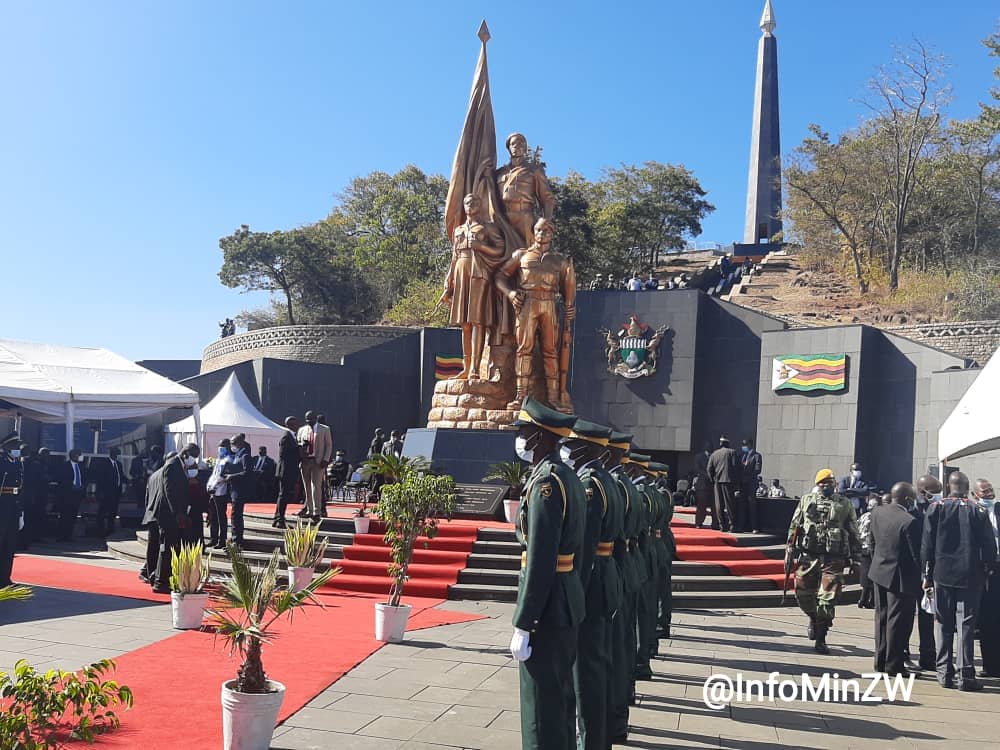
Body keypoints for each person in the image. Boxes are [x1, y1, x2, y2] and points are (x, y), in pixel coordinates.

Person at [509, 397, 586, 750]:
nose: (520, 440)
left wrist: (525, 622)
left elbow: (540, 557)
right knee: (560, 700)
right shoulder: (568, 477)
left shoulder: (547, 484)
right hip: (565, 599)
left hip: (547, 608)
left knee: (540, 708)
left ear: (540, 437)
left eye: (524, 432)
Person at [562, 419, 622, 750]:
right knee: (597, 665)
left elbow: (584, 549)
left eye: (572, 444)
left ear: (585, 447)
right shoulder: (607, 482)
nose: (567, 449)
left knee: (586, 674)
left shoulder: (589, 484)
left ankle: (591, 742)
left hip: (592, 580)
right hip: (607, 573)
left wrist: (576, 595)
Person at [921, 471, 997, 690]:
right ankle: (966, 675)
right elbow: (989, 548)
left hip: (942, 574)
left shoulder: (936, 508)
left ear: (948, 486)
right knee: (966, 625)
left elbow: (926, 546)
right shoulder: (978, 510)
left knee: (943, 622)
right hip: (971, 576)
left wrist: (926, 575)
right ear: (966, 488)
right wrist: (987, 571)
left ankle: (944, 673)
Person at [495, 217, 576, 412]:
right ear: (534, 232)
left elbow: (568, 288)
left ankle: (554, 398)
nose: (542, 234)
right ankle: (521, 396)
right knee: (524, 349)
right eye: (539, 230)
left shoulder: (560, 261)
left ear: (552, 235)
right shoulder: (521, 255)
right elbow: (500, 277)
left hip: (549, 304)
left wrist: (569, 306)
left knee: (551, 351)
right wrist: (511, 293)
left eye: (546, 231)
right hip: (527, 303)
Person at [786, 468, 861, 654]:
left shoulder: (844, 504)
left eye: (830, 482)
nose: (827, 485)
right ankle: (814, 617)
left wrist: (856, 559)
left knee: (827, 600)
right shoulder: (806, 501)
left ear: (835, 484)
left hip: (833, 559)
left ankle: (821, 637)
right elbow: (795, 525)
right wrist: (789, 549)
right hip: (808, 556)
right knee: (802, 594)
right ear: (817, 484)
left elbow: (854, 531)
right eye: (823, 482)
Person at [439, 193, 506, 381]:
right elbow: (454, 257)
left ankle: (476, 368)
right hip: (461, 273)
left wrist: (481, 246)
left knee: (477, 321)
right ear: (464, 205)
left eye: (475, 202)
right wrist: (448, 281)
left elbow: (500, 249)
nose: (471, 205)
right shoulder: (458, 230)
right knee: (465, 324)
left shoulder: (488, 227)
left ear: (481, 204)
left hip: (479, 273)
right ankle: (466, 367)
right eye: (468, 202)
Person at [606, 432, 642, 744]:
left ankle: (610, 722)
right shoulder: (630, 489)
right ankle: (618, 717)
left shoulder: (605, 487)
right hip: (628, 565)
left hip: (605, 573)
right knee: (621, 646)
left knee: (606, 654)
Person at [868, 482, 921, 675]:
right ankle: (894, 665)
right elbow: (916, 555)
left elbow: (872, 542)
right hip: (900, 578)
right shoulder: (909, 521)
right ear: (907, 500)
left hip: (878, 571)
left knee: (881, 618)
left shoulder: (877, 512)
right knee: (897, 622)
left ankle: (880, 661)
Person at [142, 443, 198, 593]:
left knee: (164, 547)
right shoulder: (173, 466)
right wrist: (179, 514)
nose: (194, 461)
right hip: (168, 515)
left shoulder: (176, 466)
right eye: (193, 457)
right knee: (167, 547)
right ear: (186, 454)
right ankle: (161, 582)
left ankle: (157, 577)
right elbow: (170, 491)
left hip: (164, 513)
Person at [495, 132, 556, 250]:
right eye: (513, 144)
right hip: (502, 218)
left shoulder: (534, 170)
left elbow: (547, 198)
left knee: (527, 255)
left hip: (524, 218)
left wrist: (546, 222)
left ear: (525, 148)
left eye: (521, 143)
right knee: (501, 254)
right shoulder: (499, 172)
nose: (517, 146)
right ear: (509, 148)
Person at [973, 478, 1000, 676]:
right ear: (975, 496)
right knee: (988, 621)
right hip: (984, 571)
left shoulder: (998, 509)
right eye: (985, 492)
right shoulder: (972, 513)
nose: (989, 495)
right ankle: (990, 665)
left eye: (991, 491)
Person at [296, 411, 332, 521]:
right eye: (307, 419)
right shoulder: (302, 430)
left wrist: (325, 459)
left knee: (316, 486)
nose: (309, 421)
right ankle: (309, 510)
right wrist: (302, 448)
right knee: (306, 486)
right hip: (306, 461)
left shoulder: (324, 429)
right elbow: (298, 444)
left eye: (311, 419)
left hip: (318, 461)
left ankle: (317, 511)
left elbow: (329, 445)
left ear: (315, 418)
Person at [0, 432, 23, 587]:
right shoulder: (1, 462)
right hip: (2, 504)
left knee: (10, 544)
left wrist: (21, 511)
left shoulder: (17, 463)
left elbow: (20, 487)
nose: (17, 448)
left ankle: (5, 579)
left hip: (13, 504)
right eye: (14, 445)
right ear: (6, 446)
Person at [224, 434, 252, 546]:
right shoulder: (237, 455)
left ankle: (237, 539)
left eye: (233, 443)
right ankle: (235, 537)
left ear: (240, 443)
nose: (232, 445)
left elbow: (247, 473)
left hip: (240, 489)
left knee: (236, 515)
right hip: (234, 488)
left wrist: (232, 476)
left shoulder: (245, 456)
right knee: (235, 514)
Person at [707, 436, 740, 533]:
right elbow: (735, 468)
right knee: (729, 504)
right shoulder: (732, 452)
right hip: (728, 481)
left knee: (719, 504)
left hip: (717, 481)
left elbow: (709, 469)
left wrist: (712, 480)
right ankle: (732, 525)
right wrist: (736, 482)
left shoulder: (714, 454)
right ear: (728, 444)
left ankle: (722, 525)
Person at [55, 448, 87, 542]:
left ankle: (69, 535)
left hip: (77, 495)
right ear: (74, 455)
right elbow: (60, 479)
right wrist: (71, 485)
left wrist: (83, 486)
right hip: (67, 495)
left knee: (73, 516)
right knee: (65, 516)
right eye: (79, 454)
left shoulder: (82, 467)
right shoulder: (65, 466)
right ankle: (61, 536)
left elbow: (85, 478)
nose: (81, 456)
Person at [94, 447, 127, 538]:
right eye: (115, 454)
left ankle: (110, 530)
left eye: (117, 454)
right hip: (106, 493)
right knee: (102, 512)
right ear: (111, 454)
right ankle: (100, 531)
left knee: (113, 512)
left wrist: (128, 481)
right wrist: (100, 492)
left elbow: (120, 476)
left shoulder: (119, 464)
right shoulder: (104, 464)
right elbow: (100, 479)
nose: (116, 456)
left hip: (116, 493)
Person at [856, 495, 882, 609]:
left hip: (863, 548)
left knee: (866, 575)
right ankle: (868, 600)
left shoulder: (863, 516)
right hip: (872, 549)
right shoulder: (877, 517)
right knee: (871, 575)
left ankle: (864, 599)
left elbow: (856, 529)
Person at [17, 443, 44, 548]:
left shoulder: (17, 462)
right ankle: (25, 541)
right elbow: (38, 480)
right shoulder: (35, 464)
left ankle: (20, 541)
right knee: (28, 519)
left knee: (19, 519)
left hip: (20, 495)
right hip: (29, 495)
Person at [274, 417, 299, 528]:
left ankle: (277, 518)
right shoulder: (286, 436)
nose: (296, 426)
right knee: (283, 495)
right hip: (286, 470)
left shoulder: (292, 436)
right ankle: (280, 519)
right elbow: (284, 455)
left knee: (284, 495)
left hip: (289, 470)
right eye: (294, 424)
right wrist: (298, 450)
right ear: (288, 425)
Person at [206, 440, 232, 548]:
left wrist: (214, 487)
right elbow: (214, 474)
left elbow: (222, 476)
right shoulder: (218, 460)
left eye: (222, 446)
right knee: (213, 516)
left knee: (221, 516)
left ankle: (222, 540)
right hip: (213, 491)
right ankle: (213, 538)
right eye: (219, 446)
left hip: (221, 491)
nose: (220, 448)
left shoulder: (228, 460)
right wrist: (209, 485)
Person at [739, 439, 763, 533]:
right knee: (742, 505)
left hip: (751, 484)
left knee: (752, 505)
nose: (744, 446)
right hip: (742, 484)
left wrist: (747, 477)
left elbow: (757, 469)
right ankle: (742, 526)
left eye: (745, 444)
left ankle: (754, 526)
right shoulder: (742, 456)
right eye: (743, 444)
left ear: (750, 445)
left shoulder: (757, 456)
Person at [693, 443, 715, 529]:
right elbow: (697, 468)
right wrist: (708, 475)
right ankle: (699, 522)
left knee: (714, 506)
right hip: (702, 485)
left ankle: (715, 524)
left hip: (712, 485)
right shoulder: (699, 456)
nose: (710, 447)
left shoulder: (714, 456)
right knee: (701, 505)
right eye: (709, 446)